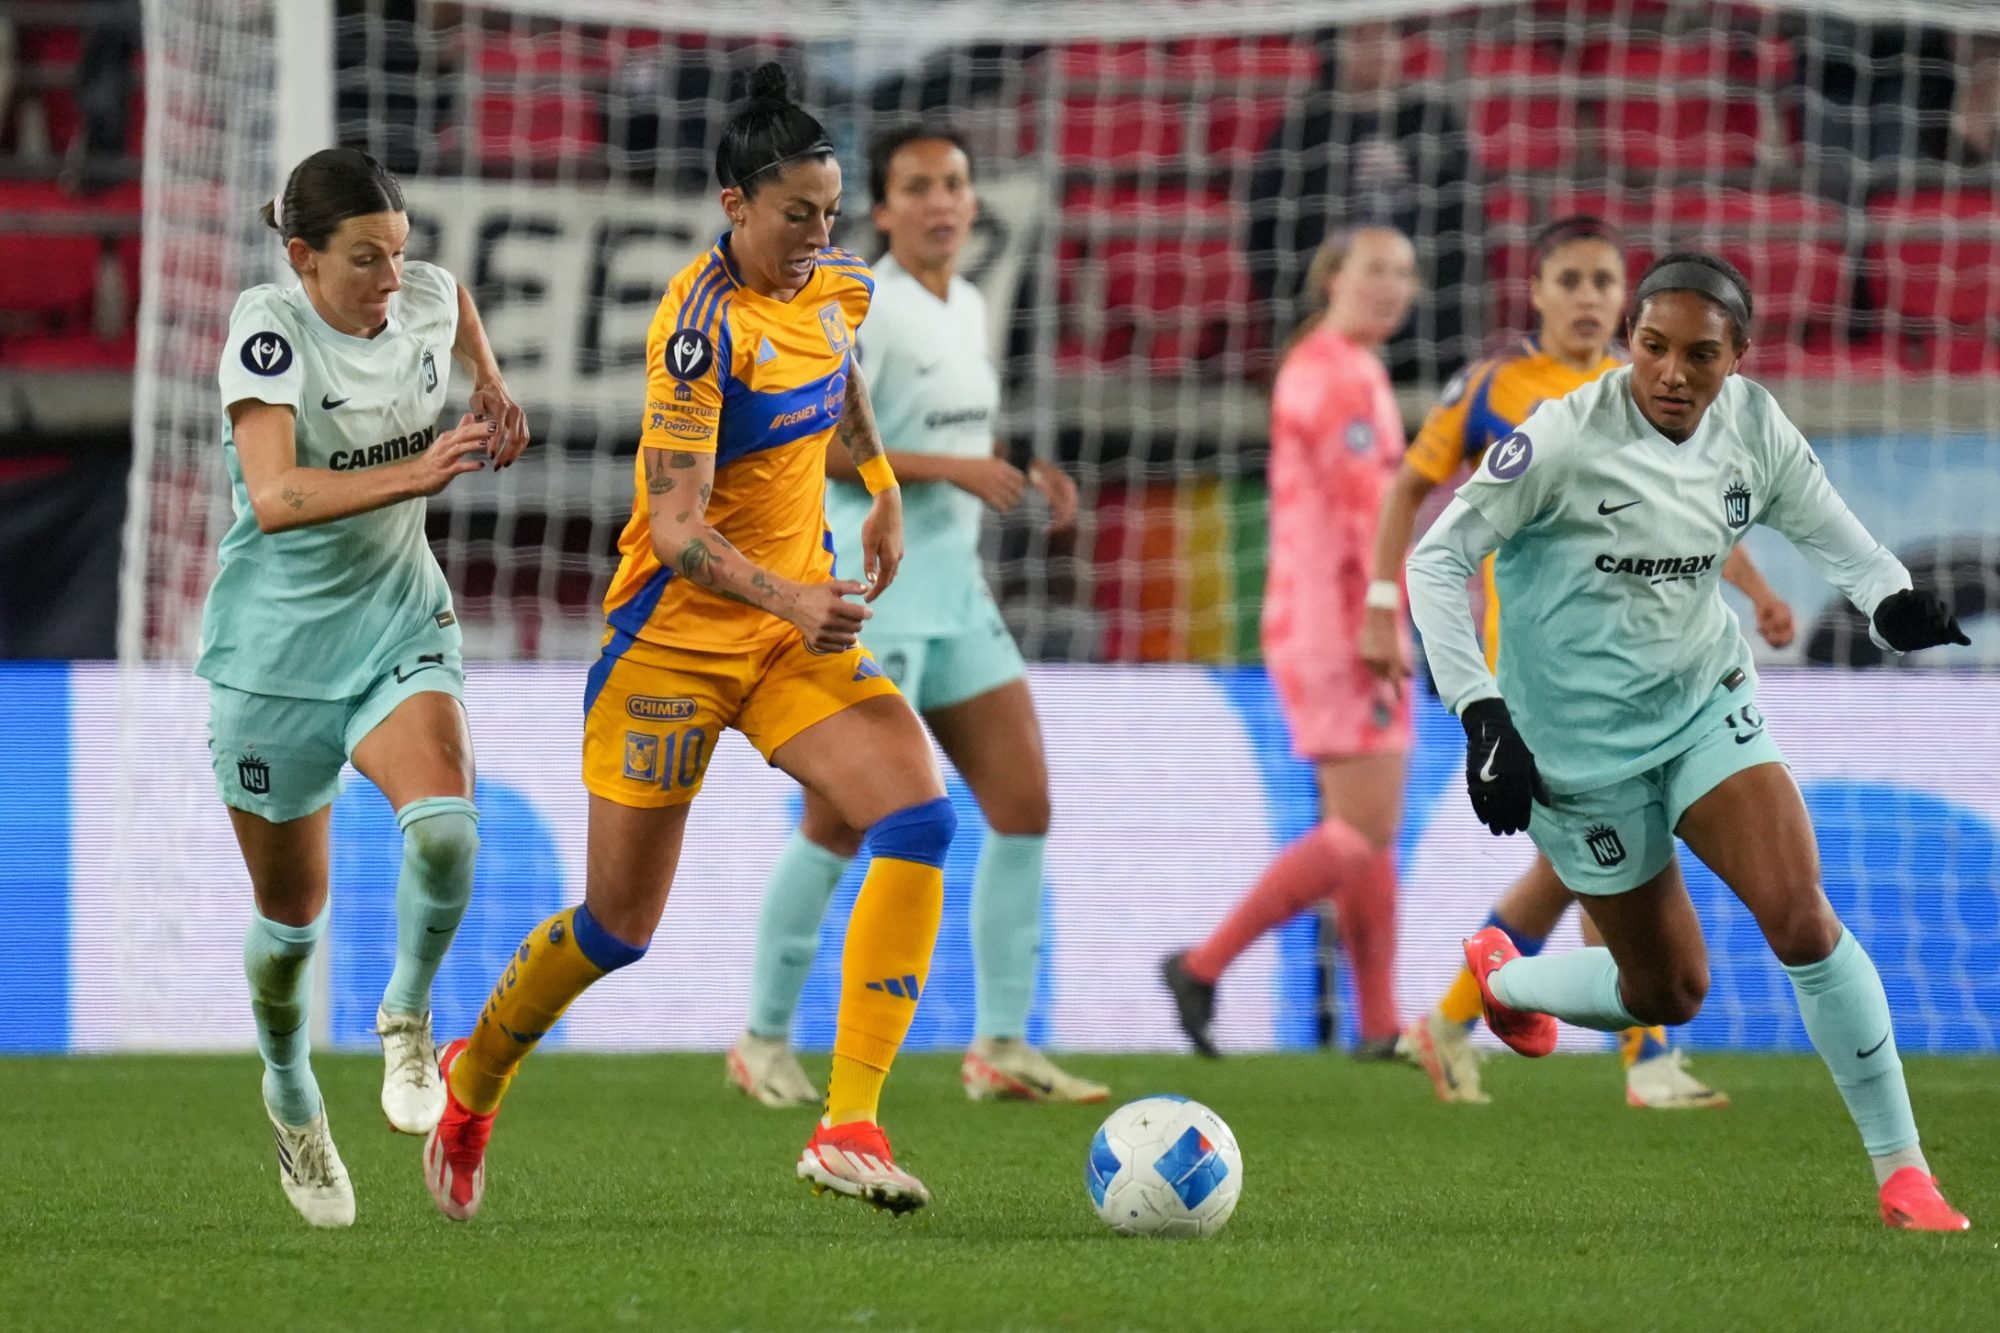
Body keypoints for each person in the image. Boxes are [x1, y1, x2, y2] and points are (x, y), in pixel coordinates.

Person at [422, 63, 954, 1222]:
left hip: (785, 636)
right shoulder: (694, 331)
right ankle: (475, 1078)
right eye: (792, 214)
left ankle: (848, 1121)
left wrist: (879, 483)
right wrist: (794, 596)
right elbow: (671, 532)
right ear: (733, 206)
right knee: (617, 929)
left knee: (918, 810)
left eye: (828, 211)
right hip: (674, 644)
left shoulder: (837, 288)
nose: (816, 236)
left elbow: (841, 373)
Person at [1406, 251, 1971, 1231]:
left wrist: (1888, 597)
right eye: (1651, 347)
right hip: (1573, 748)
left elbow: (1824, 524)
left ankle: (1901, 1173)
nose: (1671, 373)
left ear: (1735, 357)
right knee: (1665, 990)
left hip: (1704, 703)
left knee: (1798, 914)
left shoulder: (1751, 425)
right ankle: (1505, 979)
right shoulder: (1562, 438)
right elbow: (1435, 557)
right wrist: (1480, 713)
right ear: (1629, 342)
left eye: (1698, 355)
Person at [1363, 216, 1795, 1109]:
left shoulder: (1645, 387)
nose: (1589, 296)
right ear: (1537, 291)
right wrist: (1381, 607)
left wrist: (1753, 590)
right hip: (1528, 668)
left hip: (1635, 659)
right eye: (1572, 279)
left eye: (1604, 281)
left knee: (1583, 864)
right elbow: (1413, 486)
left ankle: (1452, 1024)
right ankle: (1642, 1059)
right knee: (1607, 855)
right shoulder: (1495, 386)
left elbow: (1693, 516)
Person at [726, 121, 1100, 1109]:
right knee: (839, 824)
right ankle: (761, 1036)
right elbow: (824, 449)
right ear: (882, 211)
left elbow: (948, 429)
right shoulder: (865, 306)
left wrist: (1013, 468)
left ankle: (1000, 1045)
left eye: (956, 184)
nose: (942, 202)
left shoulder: (968, 301)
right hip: (870, 592)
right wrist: (956, 471)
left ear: (974, 203)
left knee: (1023, 807)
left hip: (955, 595)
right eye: (918, 187)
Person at [201, 146, 528, 1228]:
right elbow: (278, 494)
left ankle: (405, 1017)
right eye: (362, 260)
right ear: (301, 257)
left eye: (397, 252)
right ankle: (290, 1091)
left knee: (446, 833)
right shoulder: (268, 328)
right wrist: (418, 470)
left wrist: (491, 382)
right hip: (277, 662)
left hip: (398, 623)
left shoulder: (424, 294)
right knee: (290, 922)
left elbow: (453, 302)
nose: (391, 279)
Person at [1161, 226, 1417, 1060]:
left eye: (1406, 274)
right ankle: (1203, 965)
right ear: (1331, 276)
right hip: (1342, 622)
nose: (1393, 287)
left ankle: (1378, 1024)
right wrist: (1383, 617)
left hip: (1333, 616)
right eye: (1374, 269)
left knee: (1365, 828)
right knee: (1361, 827)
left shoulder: (1344, 366)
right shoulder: (1335, 373)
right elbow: (1357, 514)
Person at [1245, 20, 1474, 382]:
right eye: (1362, 38)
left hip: (1425, 332)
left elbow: (1465, 225)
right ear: (1335, 47)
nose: (1377, 49)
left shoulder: (1432, 121)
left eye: (1386, 35)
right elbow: (1266, 232)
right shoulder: (1304, 129)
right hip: (1327, 319)